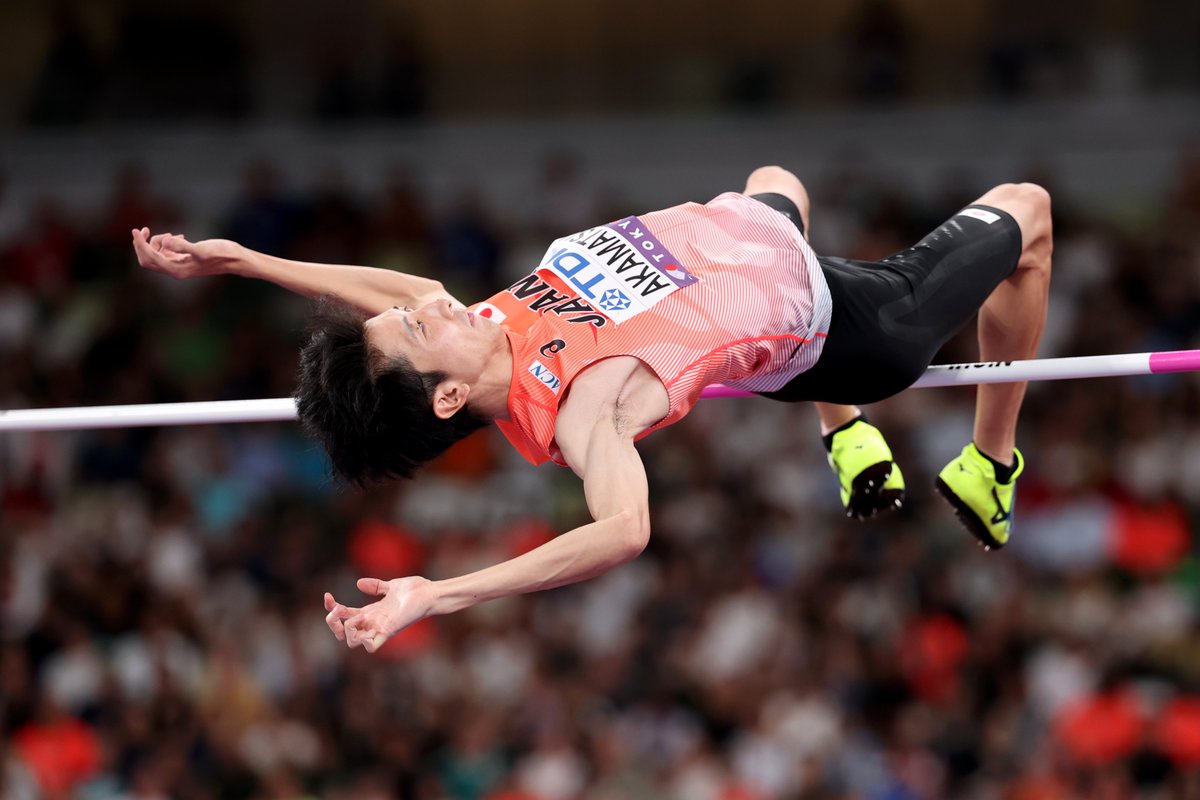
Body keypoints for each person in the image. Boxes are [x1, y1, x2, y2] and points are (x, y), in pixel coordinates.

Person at [131, 166, 1052, 654]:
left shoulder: (489, 323)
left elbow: (391, 288)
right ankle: (990, 463)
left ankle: (842, 432)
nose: (426, 303)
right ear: (448, 394)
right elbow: (623, 530)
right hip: (851, 319)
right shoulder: (583, 405)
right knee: (1029, 214)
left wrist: (247, 260)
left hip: (752, 240)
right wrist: (442, 595)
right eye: (418, 330)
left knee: (781, 180)